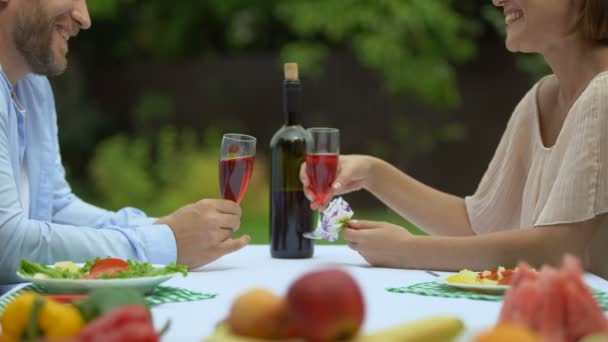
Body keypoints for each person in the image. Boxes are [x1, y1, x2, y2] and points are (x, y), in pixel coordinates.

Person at [302, 0, 608, 278]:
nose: (497, 0)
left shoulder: (603, 93)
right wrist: (372, 173)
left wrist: (408, 251)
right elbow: (476, 226)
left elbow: (554, 249)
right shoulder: (542, 98)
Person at [0, 0, 250, 284]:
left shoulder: (33, 86)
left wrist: (166, 228)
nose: (84, 18)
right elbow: (5, 244)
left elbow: (55, 209)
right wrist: (163, 244)